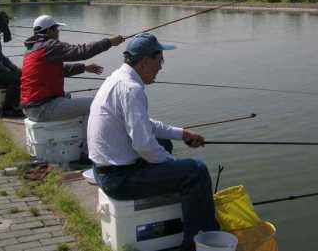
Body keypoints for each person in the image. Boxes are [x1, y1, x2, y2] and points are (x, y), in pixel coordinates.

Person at [87, 33, 219, 251]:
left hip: (105, 170)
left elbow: (145, 125)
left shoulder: (117, 78)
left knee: (165, 144)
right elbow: (144, 145)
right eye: (160, 61)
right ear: (145, 61)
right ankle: (197, 242)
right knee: (196, 171)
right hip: (119, 179)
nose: (161, 67)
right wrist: (172, 163)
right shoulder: (132, 89)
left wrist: (182, 134)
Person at [20, 15, 124, 130]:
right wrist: (109, 42)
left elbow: (57, 70)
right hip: (43, 109)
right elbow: (81, 51)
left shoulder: (32, 50)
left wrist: (84, 68)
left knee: (67, 96)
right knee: (100, 104)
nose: (58, 33)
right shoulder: (50, 46)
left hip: (31, 108)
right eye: (56, 30)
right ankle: (91, 142)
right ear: (50, 31)